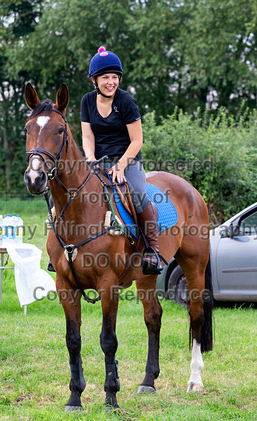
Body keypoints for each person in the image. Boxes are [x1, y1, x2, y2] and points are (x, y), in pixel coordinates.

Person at [80, 46, 162, 275]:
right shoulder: (87, 101)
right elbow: (87, 136)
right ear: (94, 80)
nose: (111, 82)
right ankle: (65, 250)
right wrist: (90, 158)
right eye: (105, 77)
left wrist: (121, 165)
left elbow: (137, 140)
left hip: (129, 160)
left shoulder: (126, 101)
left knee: (136, 193)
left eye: (115, 77)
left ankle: (152, 250)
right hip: (98, 161)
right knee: (73, 192)